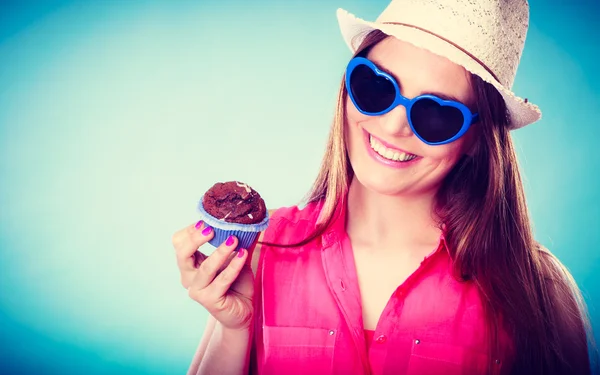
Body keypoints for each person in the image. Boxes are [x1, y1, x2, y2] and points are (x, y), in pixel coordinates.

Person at [172, 0, 595, 374]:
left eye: (436, 114)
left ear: (476, 140)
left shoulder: (538, 291)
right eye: (376, 86)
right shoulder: (264, 251)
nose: (394, 125)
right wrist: (236, 329)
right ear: (347, 87)